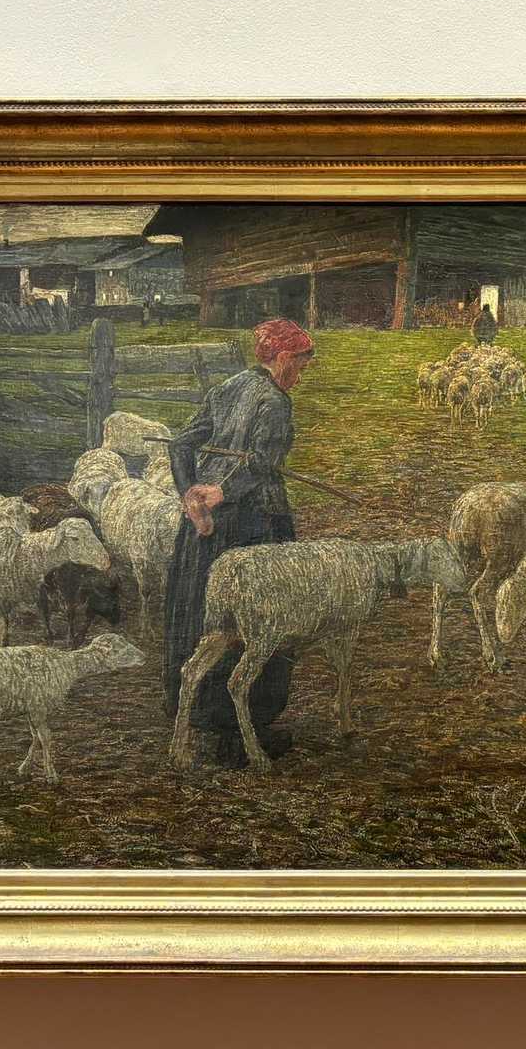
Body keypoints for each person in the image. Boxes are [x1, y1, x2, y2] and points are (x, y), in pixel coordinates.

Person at [161, 317, 316, 768]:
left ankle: (198, 717)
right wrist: (223, 492)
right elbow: (262, 465)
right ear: (283, 358)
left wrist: (190, 494)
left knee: (203, 613)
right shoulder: (275, 402)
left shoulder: (226, 389)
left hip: (206, 527)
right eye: (301, 365)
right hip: (255, 525)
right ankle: (243, 731)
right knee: (263, 617)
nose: (301, 375)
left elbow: (179, 445)